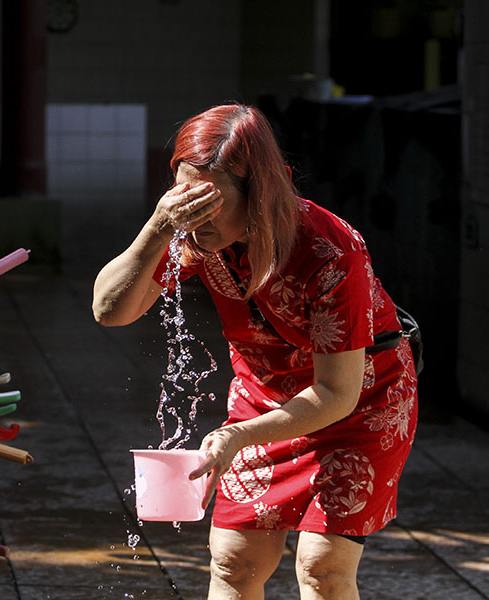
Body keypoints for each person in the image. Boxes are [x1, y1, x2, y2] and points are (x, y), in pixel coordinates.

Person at [92, 103, 418, 600]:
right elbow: (109, 310)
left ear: (258, 192)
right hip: (264, 397)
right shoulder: (192, 235)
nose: (194, 215)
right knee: (234, 561)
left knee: (323, 567)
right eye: (184, 196)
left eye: (210, 200)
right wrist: (157, 227)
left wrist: (238, 436)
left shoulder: (328, 250)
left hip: (359, 400)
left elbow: (337, 391)